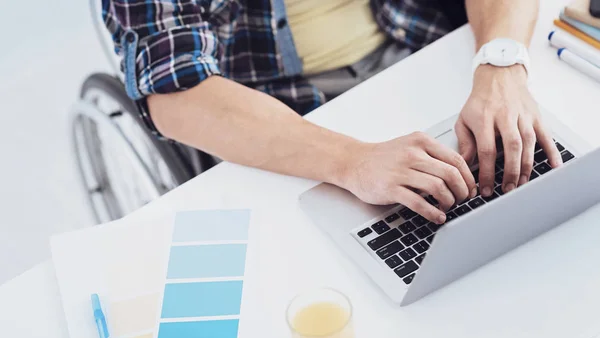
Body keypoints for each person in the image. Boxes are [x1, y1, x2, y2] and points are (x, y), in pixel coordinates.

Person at [102, 0, 562, 224]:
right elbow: (175, 91)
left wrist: (500, 62)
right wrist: (352, 161)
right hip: (285, 115)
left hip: (426, 43)